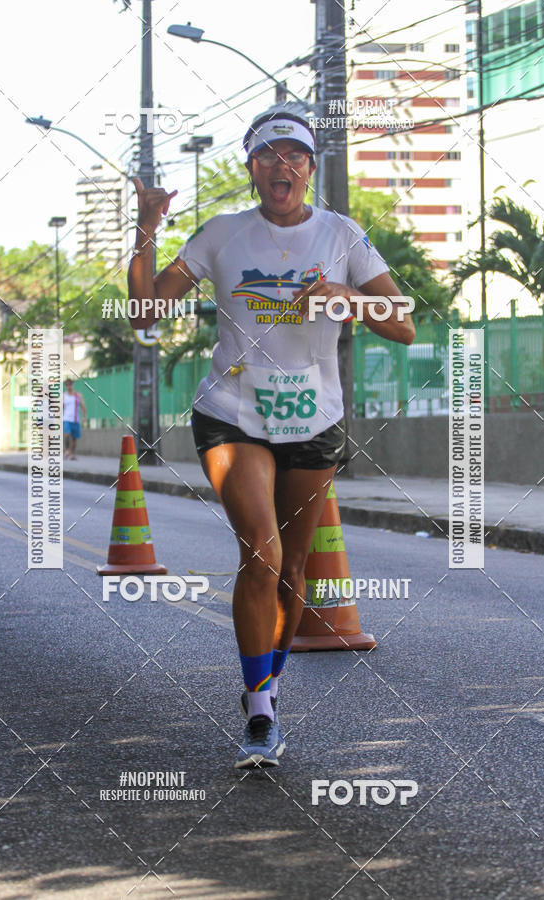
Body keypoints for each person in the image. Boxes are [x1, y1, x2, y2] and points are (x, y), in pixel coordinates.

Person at [128, 109, 415, 769]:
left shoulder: (342, 235)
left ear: (310, 168)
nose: (281, 165)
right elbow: (146, 309)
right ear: (251, 167)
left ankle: (269, 691)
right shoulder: (223, 235)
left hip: (314, 417)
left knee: (291, 570)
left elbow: (401, 325)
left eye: (295, 155)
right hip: (234, 410)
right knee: (260, 552)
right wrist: (146, 229)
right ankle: (259, 715)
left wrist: (347, 297)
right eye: (268, 155)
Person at [63, 378, 87, 460]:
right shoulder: (63, 396)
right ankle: (66, 451)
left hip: (75, 419)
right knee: (67, 434)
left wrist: (84, 416)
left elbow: (83, 406)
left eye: (70, 384)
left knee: (74, 438)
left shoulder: (78, 395)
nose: (69, 386)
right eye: (67, 385)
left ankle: (72, 454)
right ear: (65, 386)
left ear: (72, 385)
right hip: (66, 419)